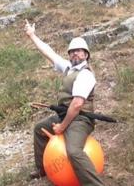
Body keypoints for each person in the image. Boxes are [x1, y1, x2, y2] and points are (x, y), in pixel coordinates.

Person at [24, 19, 104, 186]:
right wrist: (32, 35)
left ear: (86, 55)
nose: (75, 54)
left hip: (80, 120)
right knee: (40, 128)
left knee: (74, 151)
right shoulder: (69, 68)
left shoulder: (86, 74)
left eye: (79, 51)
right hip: (65, 115)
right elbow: (49, 52)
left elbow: (76, 105)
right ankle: (42, 169)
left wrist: (62, 127)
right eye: (72, 51)